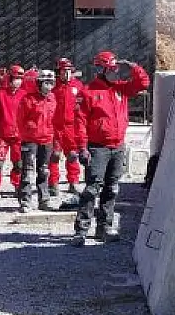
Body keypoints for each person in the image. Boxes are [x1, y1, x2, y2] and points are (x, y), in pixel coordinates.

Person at [72, 51, 150, 246]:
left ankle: (104, 227)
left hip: (117, 147)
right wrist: (82, 147)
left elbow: (143, 83)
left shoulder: (121, 89)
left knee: (111, 189)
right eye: (113, 69)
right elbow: (79, 122)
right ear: (102, 69)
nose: (117, 73)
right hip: (98, 149)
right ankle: (81, 230)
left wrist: (133, 66)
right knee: (92, 189)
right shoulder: (88, 92)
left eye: (117, 69)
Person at [17, 69, 58, 212]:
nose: (49, 86)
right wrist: (26, 134)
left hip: (47, 140)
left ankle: (44, 200)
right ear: (39, 83)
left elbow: (56, 120)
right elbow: (20, 120)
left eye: (51, 83)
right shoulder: (28, 99)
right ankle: (25, 200)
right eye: (46, 83)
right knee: (28, 171)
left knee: (44, 171)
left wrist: (56, 140)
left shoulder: (53, 98)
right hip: (30, 139)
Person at [0, 65, 25, 202]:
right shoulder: (0, 94)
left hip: (19, 135)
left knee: (19, 163)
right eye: (16, 78)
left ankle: (17, 185)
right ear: (10, 78)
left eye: (20, 79)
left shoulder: (24, 95)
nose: (18, 81)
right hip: (3, 134)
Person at [52, 58, 86, 194]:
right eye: (63, 71)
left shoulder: (78, 86)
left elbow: (84, 107)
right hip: (55, 126)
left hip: (71, 126)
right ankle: (53, 183)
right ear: (58, 72)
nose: (65, 73)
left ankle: (73, 182)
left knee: (72, 155)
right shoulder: (53, 86)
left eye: (68, 71)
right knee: (54, 155)